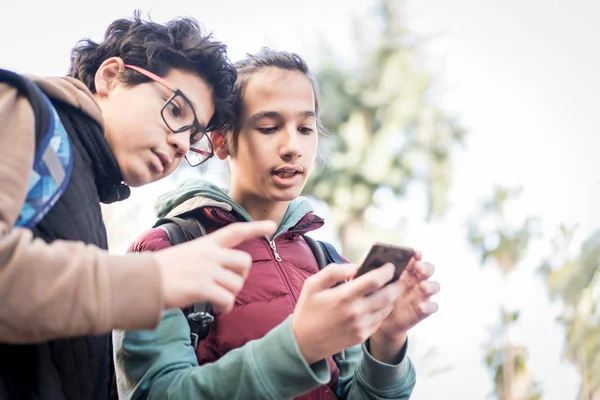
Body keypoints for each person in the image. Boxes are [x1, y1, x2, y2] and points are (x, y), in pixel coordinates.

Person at [114, 48, 440, 399]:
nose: (292, 147)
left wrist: (387, 342)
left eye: (305, 128)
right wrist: (298, 347)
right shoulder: (161, 253)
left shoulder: (329, 265)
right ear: (222, 141)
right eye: (268, 127)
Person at [0, 12, 276, 400]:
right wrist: (151, 279)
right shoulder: (23, 109)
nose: (181, 144)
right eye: (176, 110)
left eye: (194, 135)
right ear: (110, 77)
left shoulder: (85, 192)